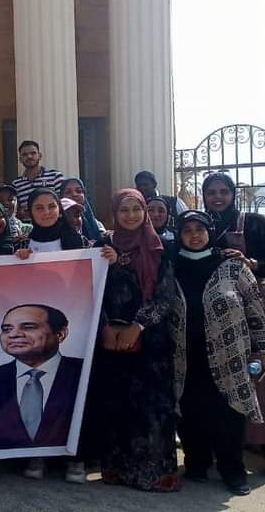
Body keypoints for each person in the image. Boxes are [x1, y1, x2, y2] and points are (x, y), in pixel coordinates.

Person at [85, 189, 182, 492]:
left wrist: (137, 326)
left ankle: (155, 474)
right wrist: (104, 326)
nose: (131, 216)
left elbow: (165, 296)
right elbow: (90, 289)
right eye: (124, 210)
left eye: (136, 210)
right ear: (114, 213)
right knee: (116, 404)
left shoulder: (159, 247)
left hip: (149, 343)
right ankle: (117, 469)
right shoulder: (102, 246)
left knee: (151, 408)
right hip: (110, 340)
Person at [171, 210, 264, 496]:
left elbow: (255, 311)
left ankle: (232, 471)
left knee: (229, 412)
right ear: (179, 235)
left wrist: (260, 351)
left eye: (200, 229)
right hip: (185, 355)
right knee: (190, 409)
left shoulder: (232, 266)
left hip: (229, 355)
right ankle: (197, 462)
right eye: (187, 230)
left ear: (210, 232)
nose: (194, 236)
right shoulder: (171, 267)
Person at [0, 305, 85, 482]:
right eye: (7, 329)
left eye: (28, 327)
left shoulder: (87, 373)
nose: (13, 334)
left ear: (60, 334)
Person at [203, 173, 265, 447]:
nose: (217, 197)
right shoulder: (199, 225)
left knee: (256, 371)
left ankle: (257, 438)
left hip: (253, 309)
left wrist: (252, 263)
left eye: (223, 192)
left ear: (232, 194)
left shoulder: (253, 223)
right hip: (215, 315)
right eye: (211, 192)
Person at [15, 189, 85, 259]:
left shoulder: (79, 240)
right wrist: (18, 258)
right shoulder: (23, 245)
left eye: (51, 206)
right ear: (30, 211)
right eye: (39, 208)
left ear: (59, 209)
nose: (46, 212)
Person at [11, 140, 65, 208]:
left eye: (33, 153)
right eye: (25, 154)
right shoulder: (16, 184)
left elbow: (64, 203)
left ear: (40, 156)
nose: (29, 156)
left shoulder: (55, 177)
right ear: (20, 159)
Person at [59, 178, 104, 243]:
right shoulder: (55, 225)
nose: (74, 194)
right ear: (61, 196)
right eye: (68, 192)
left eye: (79, 191)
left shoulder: (97, 225)